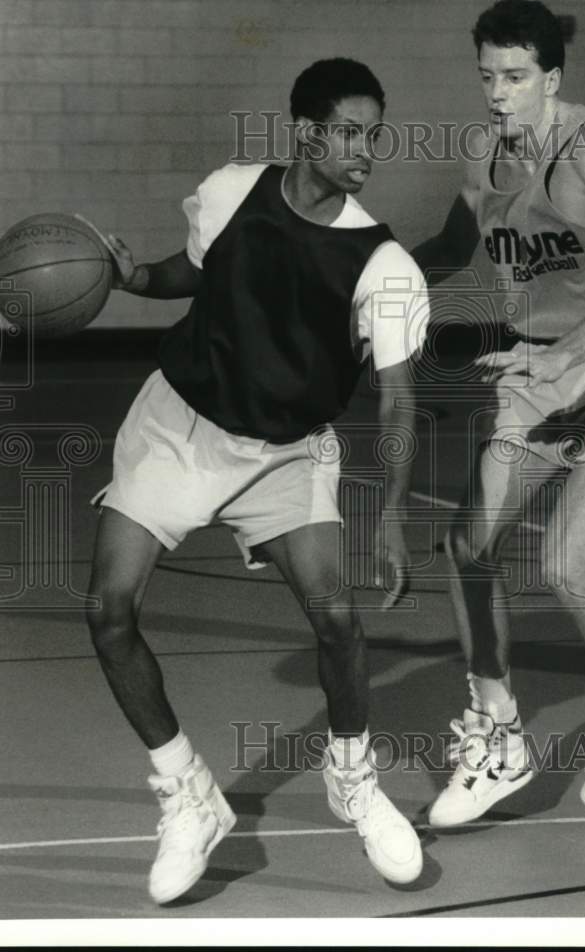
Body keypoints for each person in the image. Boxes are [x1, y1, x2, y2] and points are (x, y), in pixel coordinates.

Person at [84, 57, 427, 903]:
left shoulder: (382, 264)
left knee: (338, 618)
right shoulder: (233, 188)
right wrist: (133, 277)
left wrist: (388, 520)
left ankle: (350, 778)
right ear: (306, 132)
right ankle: (187, 792)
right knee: (107, 608)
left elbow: (398, 402)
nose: (364, 151)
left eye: (372, 135)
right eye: (349, 131)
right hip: (180, 424)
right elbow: (192, 273)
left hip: (287, 451)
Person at [411, 0, 585, 826]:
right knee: (468, 545)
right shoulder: (485, 153)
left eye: (515, 76)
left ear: (551, 77)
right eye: (487, 77)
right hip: (544, 366)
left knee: (564, 565)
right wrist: (344, 263)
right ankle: (499, 739)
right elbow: (446, 247)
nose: (498, 93)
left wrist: (564, 360)